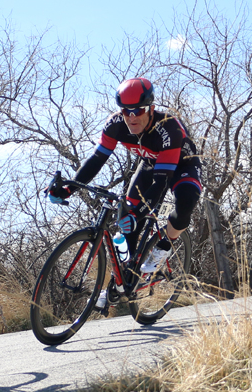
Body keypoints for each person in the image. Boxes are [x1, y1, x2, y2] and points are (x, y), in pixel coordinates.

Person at [47, 78, 201, 300]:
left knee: (186, 200)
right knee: (127, 225)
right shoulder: (115, 124)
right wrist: (69, 188)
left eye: (138, 110)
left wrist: (139, 214)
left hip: (181, 165)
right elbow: (97, 159)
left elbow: (161, 183)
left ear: (151, 109)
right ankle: (121, 283)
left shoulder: (168, 128)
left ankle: (165, 245)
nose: (132, 116)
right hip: (149, 165)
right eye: (126, 111)